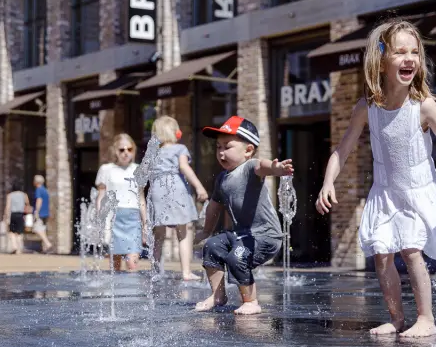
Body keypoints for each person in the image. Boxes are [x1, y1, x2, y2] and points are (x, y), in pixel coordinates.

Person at [315, 19, 436, 338]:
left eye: (415, 52)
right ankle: (396, 318)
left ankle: (426, 318)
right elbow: (342, 150)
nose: (409, 59)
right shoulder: (367, 108)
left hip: (418, 190)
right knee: (381, 254)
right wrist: (328, 182)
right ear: (381, 61)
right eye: (400, 52)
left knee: (411, 251)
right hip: (385, 192)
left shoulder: (424, 106)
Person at [194, 116, 293, 315]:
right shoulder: (222, 178)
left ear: (248, 150)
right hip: (242, 234)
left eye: (227, 146)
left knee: (237, 257)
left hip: (265, 236)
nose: (221, 152)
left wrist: (276, 169)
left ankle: (251, 301)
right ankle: (218, 295)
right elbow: (214, 206)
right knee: (212, 247)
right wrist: (206, 231)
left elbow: (261, 166)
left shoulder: (249, 168)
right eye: (218, 147)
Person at [149, 116, 208, 280]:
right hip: (176, 189)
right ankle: (186, 272)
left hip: (157, 190)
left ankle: (156, 272)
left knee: (159, 233)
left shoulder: (153, 152)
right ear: (176, 132)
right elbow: (184, 167)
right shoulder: (180, 148)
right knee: (183, 231)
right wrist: (199, 186)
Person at [95, 134, 147, 271]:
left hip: (133, 218)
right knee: (115, 264)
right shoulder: (106, 169)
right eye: (121, 149)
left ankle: (132, 285)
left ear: (134, 150)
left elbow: (141, 198)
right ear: (115, 151)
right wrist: (101, 220)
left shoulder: (139, 169)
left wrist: (145, 224)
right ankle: (117, 286)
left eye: (129, 149)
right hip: (113, 218)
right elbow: (101, 197)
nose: (125, 153)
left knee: (132, 263)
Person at [4, 182, 29, 254]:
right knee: (19, 232)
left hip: (13, 215)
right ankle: (19, 249)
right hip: (21, 215)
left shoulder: (10, 195)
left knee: (11, 232)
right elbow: (27, 204)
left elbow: (8, 206)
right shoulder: (24, 195)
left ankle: (14, 246)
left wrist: (6, 216)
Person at [33, 175, 54, 253]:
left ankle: (48, 244)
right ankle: (45, 248)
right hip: (45, 212)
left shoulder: (38, 190)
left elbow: (39, 200)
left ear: (36, 182)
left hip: (40, 213)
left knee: (36, 229)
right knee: (43, 229)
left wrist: (36, 211)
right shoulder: (45, 190)